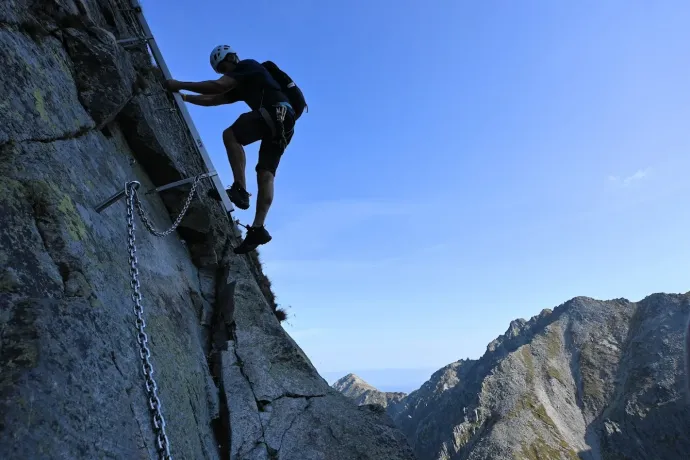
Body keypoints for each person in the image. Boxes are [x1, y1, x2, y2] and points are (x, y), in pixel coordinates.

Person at [163, 45, 297, 255]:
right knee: (265, 173)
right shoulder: (243, 81)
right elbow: (214, 99)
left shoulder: (248, 66)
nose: (225, 72)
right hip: (285, 123)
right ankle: (258, 229)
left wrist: (178, 84)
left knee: (231, 135)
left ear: (232, 58)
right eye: (221, 70)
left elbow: (217, 87)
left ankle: (240, 190)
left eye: (224, 66)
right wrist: (185, 97)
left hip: (275, 111)